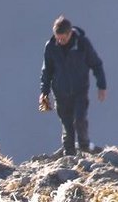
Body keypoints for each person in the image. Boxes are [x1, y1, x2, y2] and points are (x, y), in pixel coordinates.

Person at [38, 16, 108, 156]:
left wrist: (102, 86)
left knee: (79, 119)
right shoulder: (51, 47)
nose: (60, 41)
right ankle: (69, 155)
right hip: (60, 92)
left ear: (70, 33)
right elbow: (47, 71)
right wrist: (44, 93)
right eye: (58, 38)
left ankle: (85, 146)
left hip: (79, 91)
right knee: (67, 124)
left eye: (63, 38)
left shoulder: (82, 44)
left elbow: (96, 64)